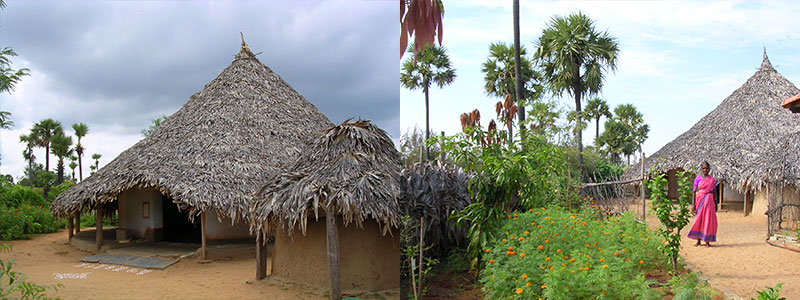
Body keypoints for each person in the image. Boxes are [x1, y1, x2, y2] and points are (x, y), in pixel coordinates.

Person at [688, 161, 718, 246]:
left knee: (707, 220)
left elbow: (714, 191)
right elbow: (694, 191)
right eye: (703, 168)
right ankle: (698, 240)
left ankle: (707, 240)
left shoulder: (712, 180)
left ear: (709, 169)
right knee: (699, 219)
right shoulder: (698, 179)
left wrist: (716, 203)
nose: (705, 170)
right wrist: (693, 204)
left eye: (707, 168)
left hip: (709, 201)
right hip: (700, 201)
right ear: (701, 169)